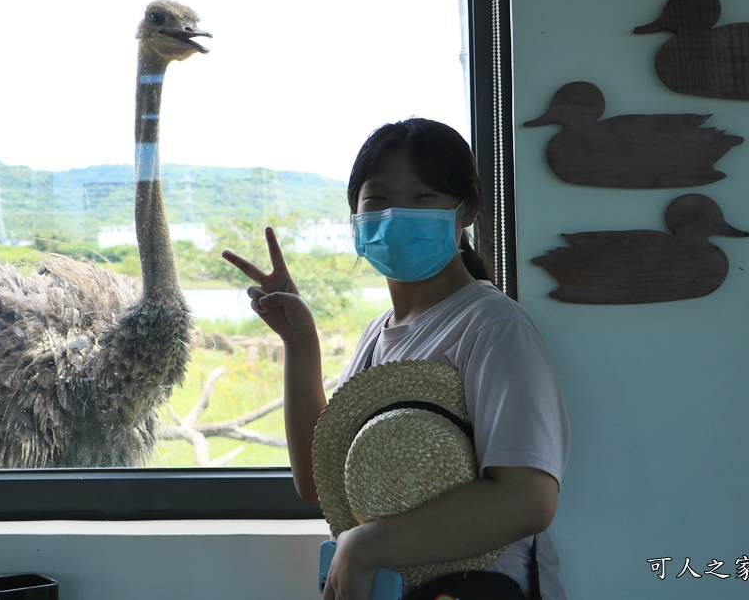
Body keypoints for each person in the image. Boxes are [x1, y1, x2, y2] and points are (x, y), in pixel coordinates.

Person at [222, 118, 569, 600]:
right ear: (355, 216)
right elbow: (319, 482)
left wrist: (367, 545)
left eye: (423, 197)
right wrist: (300, 344)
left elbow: (527, 499)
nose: (396, 214)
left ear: (466, 212)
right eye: (378, 198)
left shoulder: (492, 326)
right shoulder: (377, 335)